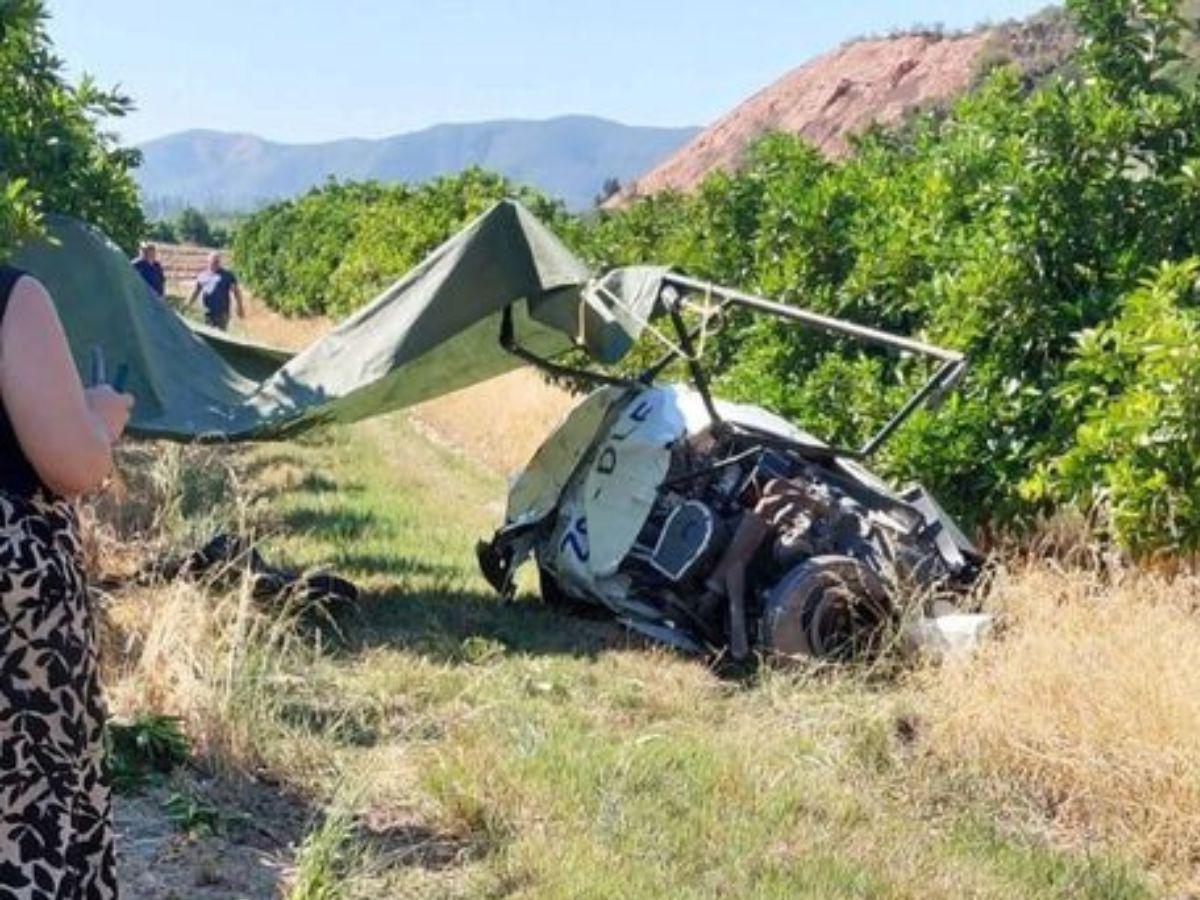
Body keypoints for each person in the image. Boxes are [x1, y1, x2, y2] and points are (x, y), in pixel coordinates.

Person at [0, 266, 133, 899]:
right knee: (27, 804)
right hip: (15, 608)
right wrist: (99, 418)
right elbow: (73, 464)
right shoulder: (13, 299)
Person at [187, 251, 244, 330]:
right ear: (208, 262)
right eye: (213, 262)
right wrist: (188, 305)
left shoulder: (227, 275)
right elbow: (195, 291)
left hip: (222, 313)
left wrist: (240, 307)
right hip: (207, 312)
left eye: (217, 262)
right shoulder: (202, 275)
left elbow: (236, 292)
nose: (215, 264)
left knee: (220, 334)